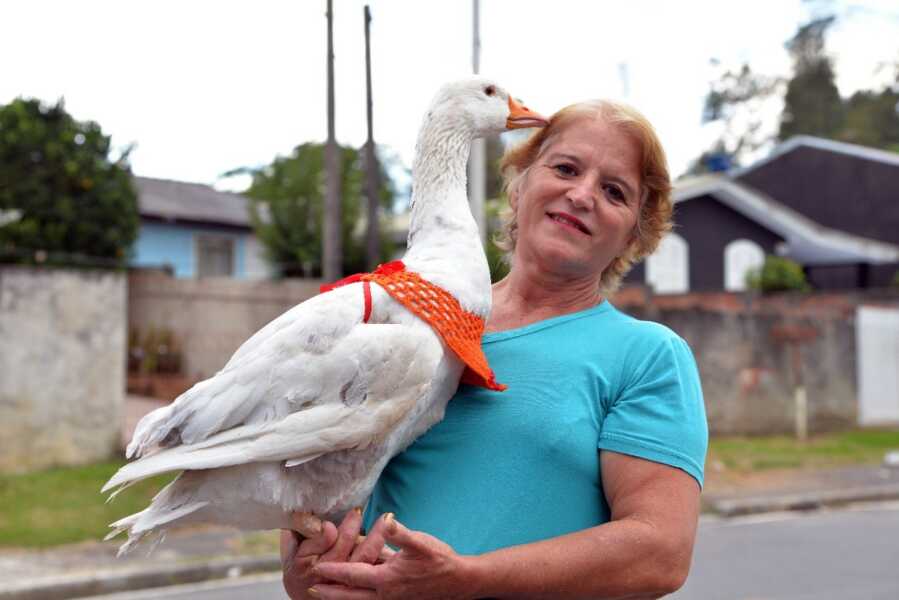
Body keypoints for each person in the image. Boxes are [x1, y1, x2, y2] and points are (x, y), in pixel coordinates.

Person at [280, 99, 708, 600]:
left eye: (614, 191)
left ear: (635, 231)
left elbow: (660, 552)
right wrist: (309, 571)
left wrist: (466, 579)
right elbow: (307, 516)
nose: (582, 194)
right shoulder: (408, 322)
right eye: (565, 168)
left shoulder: (648, 358)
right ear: (520, 182)